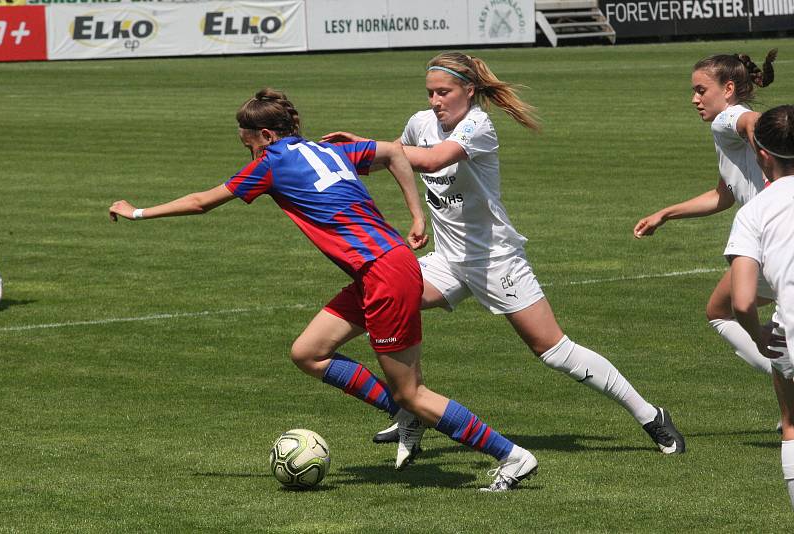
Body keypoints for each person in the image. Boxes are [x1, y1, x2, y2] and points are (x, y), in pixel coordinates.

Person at [109, 88, 538, 492]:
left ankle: (511, 455)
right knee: (308, 352)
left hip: (385, 273)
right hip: (381, 269)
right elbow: (391, 152)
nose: (248, 151)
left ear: (265, 135)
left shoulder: (271, 162)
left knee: (413, 390)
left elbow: (203, 202)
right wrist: (416, 215)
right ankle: (402, 412)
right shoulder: (329, 149)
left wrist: (137, 212)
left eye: (247, 143)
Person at [322, 52, 685, 454]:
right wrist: (359, 163)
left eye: (444, 92)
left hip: (496, 260)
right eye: (430, 93)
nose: (435, 101)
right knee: (386, 307)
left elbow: (430, 159)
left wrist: (374, 148)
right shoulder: (419, 123)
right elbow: (399, 162)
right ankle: (410, 409)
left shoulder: (478, 126)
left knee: (553, 351)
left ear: (469, 90)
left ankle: (651, 415)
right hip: (447, 261)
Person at [634, 50, 779, 384]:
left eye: (701, 90)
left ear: (728, 89)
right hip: (775, 237)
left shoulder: (726, 119)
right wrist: (665, 214)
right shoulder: (726, 133)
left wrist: (770, 166)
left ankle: (785, 380)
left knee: (722, 312)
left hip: (769, 241)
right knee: (728, 312)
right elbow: (722, 195)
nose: (694, 99)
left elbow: (753, 122)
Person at [725, 104, 794, 508]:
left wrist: (758, 335)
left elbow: (743, 300)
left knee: (791, 426)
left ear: (763, 155)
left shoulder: (754, 212)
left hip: (789, 339)